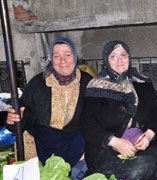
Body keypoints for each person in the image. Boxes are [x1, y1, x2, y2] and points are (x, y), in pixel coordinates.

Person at [80, 40, 157, 180]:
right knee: (136, 171)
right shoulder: (96, 86)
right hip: (108, 145)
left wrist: (149, 135)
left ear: (129, 57)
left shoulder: (142, 83)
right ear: (106, 60)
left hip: (141, 141)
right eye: (114, 56)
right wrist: (115, 141)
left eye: (123, 55)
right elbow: (87, 123)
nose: (120, 60)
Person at [5, 37, 92, 168]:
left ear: (75, 56)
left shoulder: (87, 82)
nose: (63, 60)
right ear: (51, 59)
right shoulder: (38, 83)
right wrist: (15, 120)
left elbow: (95, 114)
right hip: (44, 143)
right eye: (57, 56)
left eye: (68, 55)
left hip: (77, 143)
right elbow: (27, 115)